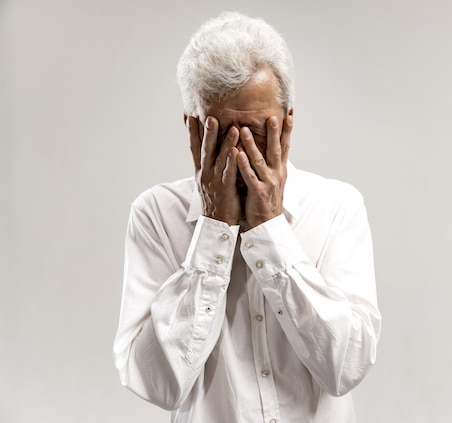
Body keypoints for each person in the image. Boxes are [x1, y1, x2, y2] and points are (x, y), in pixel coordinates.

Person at [113, 11, 381, 422]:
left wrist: (271, 230)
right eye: (222, 136)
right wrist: (213, 229)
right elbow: (157, 384)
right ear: (193, 131)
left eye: (256, 134)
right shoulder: (154, 215)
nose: (239, 156)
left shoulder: (337, 207)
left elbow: (345, 368)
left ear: (287, 125)